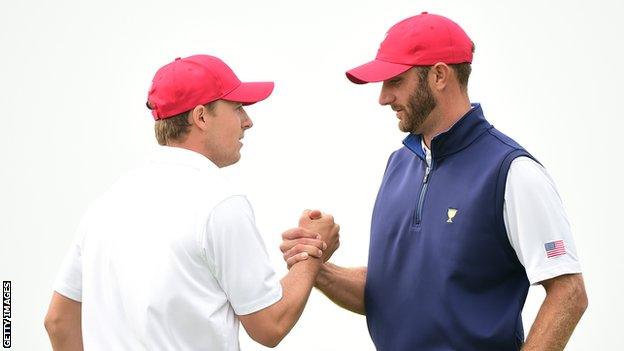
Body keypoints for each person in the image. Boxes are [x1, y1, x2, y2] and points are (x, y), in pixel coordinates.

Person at [282, 12, 587, 350]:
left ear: (440, 75)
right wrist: (315, 267)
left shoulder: (512, 171)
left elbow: (569, 294)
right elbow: (390, 293)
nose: (383, 97)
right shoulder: (399, 165)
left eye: (395, 81)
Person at [44, 54, 339, 350]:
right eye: (237, 108)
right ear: (200, 117)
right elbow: (270, 325)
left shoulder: (106, 205)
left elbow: (58, 321)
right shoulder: (219, 202)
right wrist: (313, 250)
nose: (247, 122)